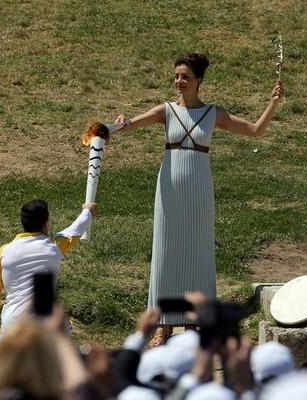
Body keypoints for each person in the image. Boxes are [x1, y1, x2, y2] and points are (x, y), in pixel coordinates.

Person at [113, 53, 284, 346]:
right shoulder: (165, 110)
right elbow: (130, 125)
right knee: (165, 252)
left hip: (199, 190)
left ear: (199, 81)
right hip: (168, 189)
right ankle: (162, 325)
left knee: (197, 252)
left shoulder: (213, 114)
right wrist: (120, 122)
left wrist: (273, 103)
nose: (179, 82)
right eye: (176, 76)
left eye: (185, 77)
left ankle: (193, 323)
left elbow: (255, 131)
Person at [0, 199, 97, 334]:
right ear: (46, 223)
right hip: (46, 324)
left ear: (22, 222)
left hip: (12, 325)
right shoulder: (54, 246)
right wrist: (87, 211)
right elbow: (74, 231)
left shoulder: (3, 253)